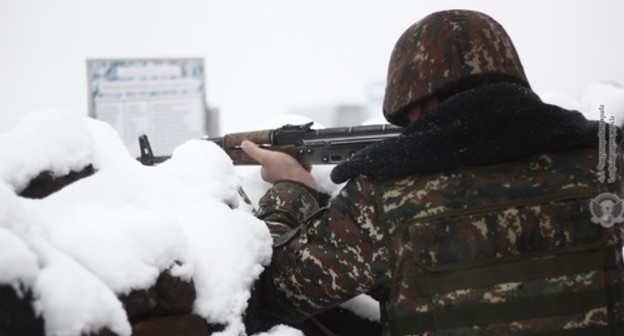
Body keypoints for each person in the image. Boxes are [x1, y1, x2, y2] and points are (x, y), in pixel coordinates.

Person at [241, 9, 624, 336]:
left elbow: (269, 294)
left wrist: (292, 187)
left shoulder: (384, 197)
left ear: (417, 105)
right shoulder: (605, 163)